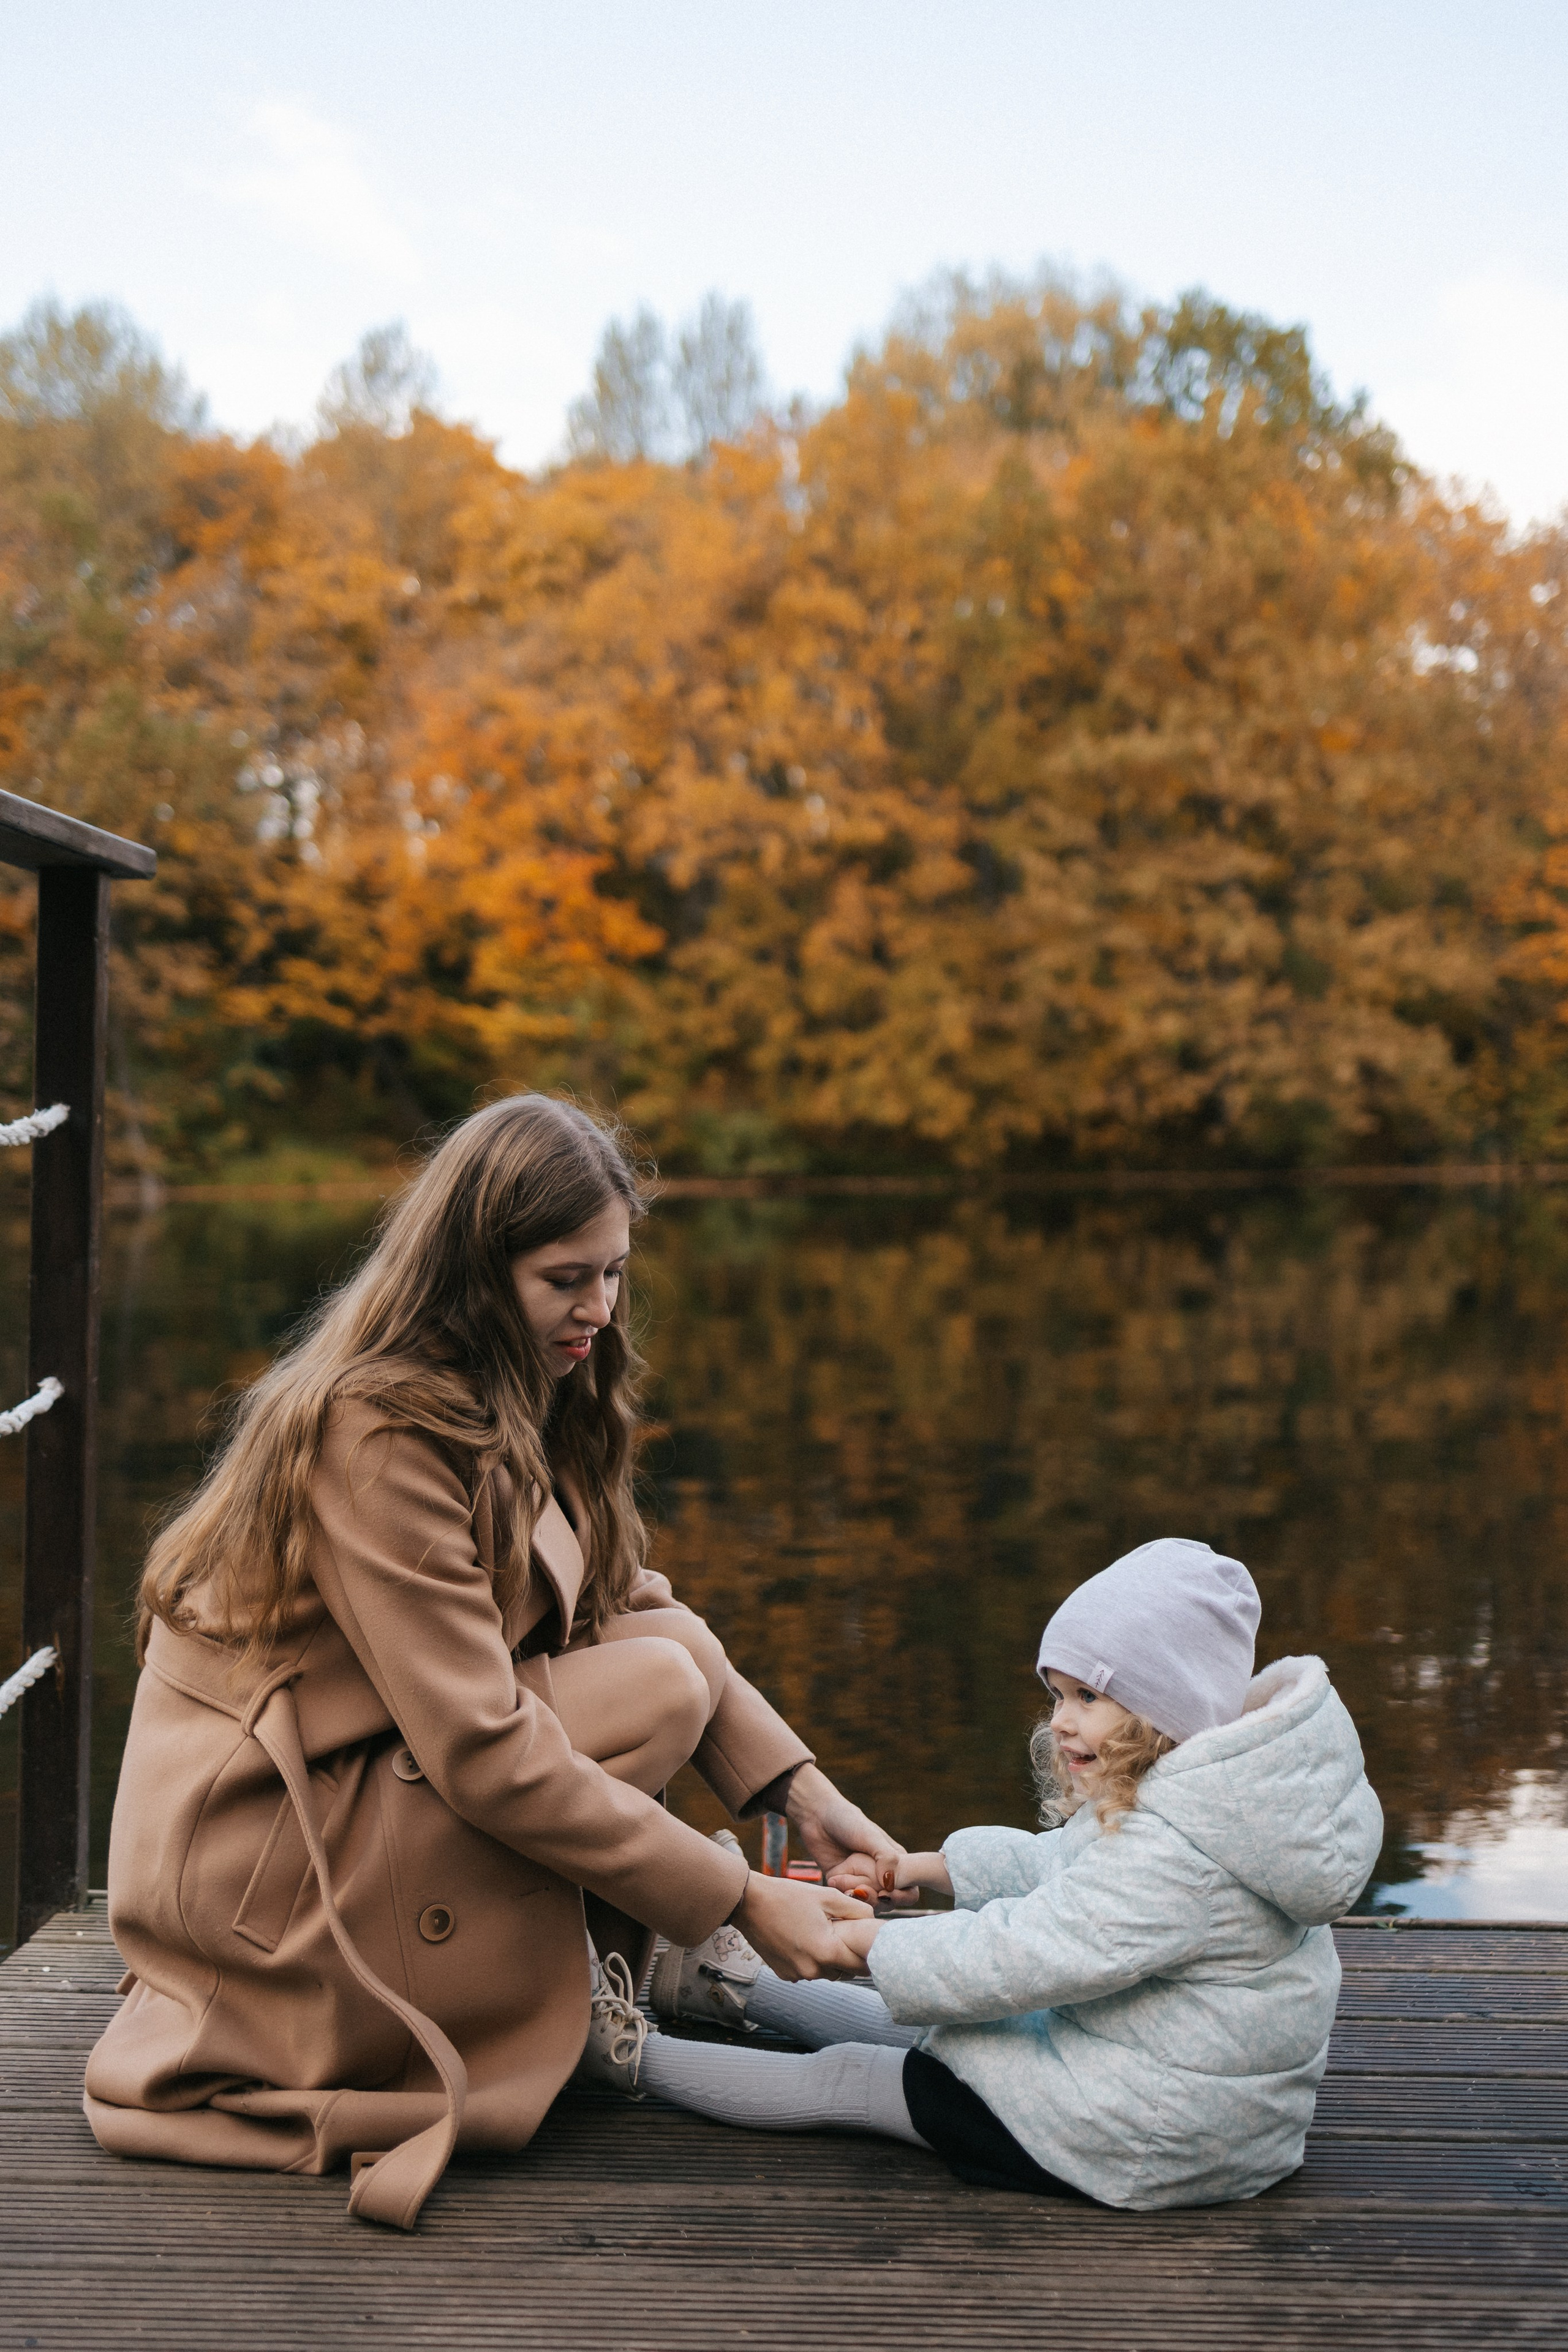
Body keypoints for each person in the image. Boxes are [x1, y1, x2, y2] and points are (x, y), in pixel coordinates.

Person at [85, 1095, 891, 2228]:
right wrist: (741, 1894)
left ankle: (601, 1955)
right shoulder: (375, 1431)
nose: (600, 1312)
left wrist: (800, 1793)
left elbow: (629, 1598)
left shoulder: (526, 1383)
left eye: (614, 1274)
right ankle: (569, 1985)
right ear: (475, 1267)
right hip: (264, 1863)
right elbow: (480, 1748)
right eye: (568, 1278)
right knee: (656, 1681)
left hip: (361, 1783)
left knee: (670, 1650)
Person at [584, 1537, 1384, 2211]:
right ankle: (723, 1985)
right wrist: (923, 1870)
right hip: (1174, 2089)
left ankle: (625, 2055)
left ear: (1163, 1708)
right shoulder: (1208, 1802)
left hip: (1146, 2132)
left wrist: (863, 1947)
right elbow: (1057, 1866)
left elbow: (1023, 1955)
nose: (1061, 1720)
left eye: (1089, 1697)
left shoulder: (1178, 1859)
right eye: (1058, 1695)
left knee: (857, 2077)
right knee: (929, 2029)